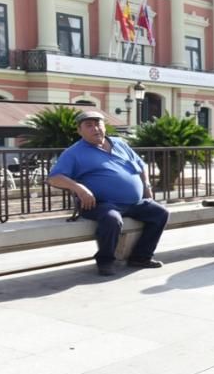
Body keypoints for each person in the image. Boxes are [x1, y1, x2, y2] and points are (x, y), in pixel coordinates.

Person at [47, 110, 169, 276]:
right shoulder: (73, 153)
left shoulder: (120, 143)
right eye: (89, 125)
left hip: (133, 203)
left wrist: (146, 185)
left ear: (105, 126)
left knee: (160, 213)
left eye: (98, 124)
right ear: (79, 131)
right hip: (100, 204)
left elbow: (141, 165)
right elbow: (54, 178)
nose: (95, 128)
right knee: (112, 219)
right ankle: (105, 261)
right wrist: (79, 188)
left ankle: (141, 257)